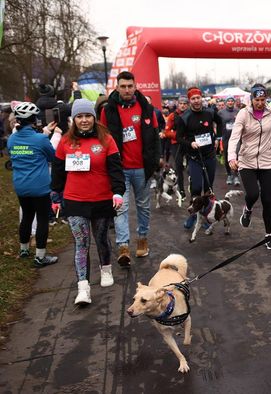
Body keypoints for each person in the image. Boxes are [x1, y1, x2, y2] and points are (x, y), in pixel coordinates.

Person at [51, 99, 125, 305]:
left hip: (101, 199)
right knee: (81, 244)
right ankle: (83, 288)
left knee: (101, 238)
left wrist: (118, 192)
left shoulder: (107, 140)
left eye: (88, 116)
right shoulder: (65, 141)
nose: (84, 120)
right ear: (73, 119)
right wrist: (55, 196)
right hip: (75, 200)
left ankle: (106, 267)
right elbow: (57, 171)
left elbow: (116, 169)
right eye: (80, 116)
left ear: (94, 117)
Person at [100, 71, 161, 266]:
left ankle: (142, 239)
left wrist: (155, 160)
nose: (126, 90)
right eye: (123, 86)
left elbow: (155, 136)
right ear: (117, 87)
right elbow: (102, 138)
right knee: (121, 208)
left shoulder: (146, 108)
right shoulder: (108, 110)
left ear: (135, 87)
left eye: (130, 86)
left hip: (142, 168)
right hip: (120, 169)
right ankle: (123, 247)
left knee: (143, 206)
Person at [227, 84, 271, 249]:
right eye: (257, 99)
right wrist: (231, 157)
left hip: (266, 161)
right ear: (251, 99)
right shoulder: (244, 114)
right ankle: (248, 208)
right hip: (247, 161)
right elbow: (234, 138)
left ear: (267, 99)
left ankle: (268, 237)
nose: (260, 103)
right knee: (252, 194)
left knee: (267, 199)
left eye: (263, 100)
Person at [7, 101, 59, 266]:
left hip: (21, 186)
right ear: (34, 119)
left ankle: (23, 250)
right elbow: (53, 157)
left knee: (27, 217)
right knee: (42, 219)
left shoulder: (12, 139)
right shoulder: (40, 139)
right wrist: (45, 134)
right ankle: (40, 257)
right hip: (40, 186)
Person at [178, 87, 224, 228]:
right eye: (193, 98)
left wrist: (218, 137)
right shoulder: (184, 117)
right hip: (195, 158)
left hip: (209, 156)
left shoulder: (210, 112)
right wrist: (190, 143)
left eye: (198, 97)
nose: (196, 101)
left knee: (208, 189)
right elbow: (179, 138)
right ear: (189, 100)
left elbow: (220, 122)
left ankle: (205, 218)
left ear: (201, 98)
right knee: (196, 187)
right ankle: (193, 216)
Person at [163, 96, 189, 200]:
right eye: (181, 103)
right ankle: (181, 190)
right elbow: (167, 132)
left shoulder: (190, 114)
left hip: (189, 144)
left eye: (185, 103)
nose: (183, 105)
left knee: (191, 168)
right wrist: (178, 135)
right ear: (177, 104)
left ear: (188, 104)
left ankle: (193, 187)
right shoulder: (172, 116)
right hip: (176, 144)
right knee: (178, 168)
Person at [218, 96, 240, 186]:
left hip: (236, 138)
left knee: (236, 156)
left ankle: (236, 175)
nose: (230, 102)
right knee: (227, 156)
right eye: (229, 101)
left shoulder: (238, 111)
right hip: (225, 137)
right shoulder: (221, 112)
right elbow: (217, 125)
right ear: (226, 102)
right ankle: (229, 174)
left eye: (232, 101)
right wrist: (218, 137)